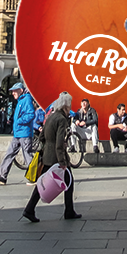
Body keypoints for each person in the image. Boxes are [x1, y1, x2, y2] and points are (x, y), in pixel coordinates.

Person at [22, 91, 80, 223]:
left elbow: (41, 137)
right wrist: (62, 161)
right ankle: (69, 211)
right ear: (65, 107)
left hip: (47, 155)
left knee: (42, 182)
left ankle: (29, 208)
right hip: (56, 157)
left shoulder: (50, 117)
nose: (70, 108)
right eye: (69, 106)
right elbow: (59, 143)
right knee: (69, 182)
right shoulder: (61, 120)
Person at [0, 82, 35, 185]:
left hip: (24, 133)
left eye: (14, 91)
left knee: (27, 156)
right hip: (18, 133)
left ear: (20, 90)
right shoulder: (21, 100)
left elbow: (31, 114)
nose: (12, 93)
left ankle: (36, 176)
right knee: (10, 153)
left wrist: (19, 121)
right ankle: (2, 176)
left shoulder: (26, 99)